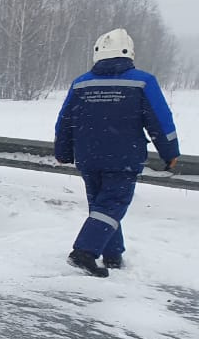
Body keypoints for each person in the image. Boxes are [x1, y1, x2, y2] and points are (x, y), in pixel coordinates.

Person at [54, 28, 180, 277]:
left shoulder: (81, 83)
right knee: (112, 204)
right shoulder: (143, 81)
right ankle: (85, 252)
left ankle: (113, 254)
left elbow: (65, 120)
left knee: (101, 205)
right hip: (123, 156)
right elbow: (160, 120)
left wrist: (63, 151)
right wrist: (170, 152)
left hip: (89, 156)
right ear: (129, 53)